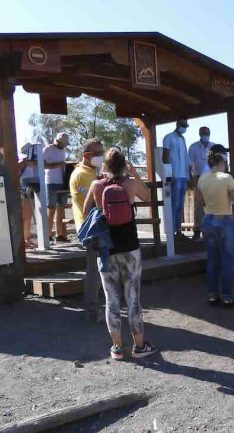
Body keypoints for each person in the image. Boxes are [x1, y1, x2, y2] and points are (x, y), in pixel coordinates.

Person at [83, 148, 157, 360]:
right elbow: (148, 197)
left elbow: (87, 208)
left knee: (111, 299)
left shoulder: (97, 185)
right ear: (124, 164)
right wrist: (134, 173)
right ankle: (140, 346)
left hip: (106, 250)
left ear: (105, 166)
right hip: (130, 247)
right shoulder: (130, 184)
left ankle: (117, 348)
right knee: (133, 298)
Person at [197, 151, 234, 308]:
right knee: (228, 261)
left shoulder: (202, 179)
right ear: (220, 163)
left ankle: (212, 294)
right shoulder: (226, 178)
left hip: (209, 219)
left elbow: (200, 201)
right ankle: (227, 296)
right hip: (224, 219)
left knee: (212, 259)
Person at [70, 138, 105, 322]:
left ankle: (99, 307)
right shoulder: (82, 175)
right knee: (93, 271)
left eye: (102, 152)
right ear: (86, 155)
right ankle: (92, 310)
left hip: (98, 226)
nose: (101, 156)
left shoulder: (92, 172)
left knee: (100, 269)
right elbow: (92, 204)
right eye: (98, 153)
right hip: (91, 228)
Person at [162, 117, 190, 242]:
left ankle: (178, 231)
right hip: (175, 175)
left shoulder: (183, 139)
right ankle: (171, 232)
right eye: (182, 124)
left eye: (185, 125)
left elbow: (186, 159)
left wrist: (189, 176)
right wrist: (169, 173)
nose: (184, 127)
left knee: (180, 205)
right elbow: (165, 156)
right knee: (173, 204)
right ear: (177, 124)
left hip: (183, 176)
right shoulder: (169, 137)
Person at [188, 126, 215, 240]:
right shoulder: (193, 147)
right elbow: (189, 164)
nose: (205, 135)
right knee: (198, 204)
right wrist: (189, 178)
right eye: (203, 133)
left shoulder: (213, 146)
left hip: (212, 177)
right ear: (199, 134)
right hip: (197, 177)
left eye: (207, 133)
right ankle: (197, 230)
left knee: (211, 203)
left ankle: (210, 230)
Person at [43, 132, 70, 243]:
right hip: (50, 182)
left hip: (62, 181)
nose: (63, 145)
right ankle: (48, 234)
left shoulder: (63, 151)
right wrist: (59, 164)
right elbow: (43, 165)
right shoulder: (47, 149)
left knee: (60, 208)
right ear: (57, 141)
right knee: (51, 208)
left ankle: (60, 234)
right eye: (62, 143)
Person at [19, 143, 40, 250]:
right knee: (25, 216)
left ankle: (27, 238)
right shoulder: (22, 162)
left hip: (32, 189)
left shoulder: (36, 161)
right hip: (23, 189)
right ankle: (23, 239)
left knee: (29, 216)